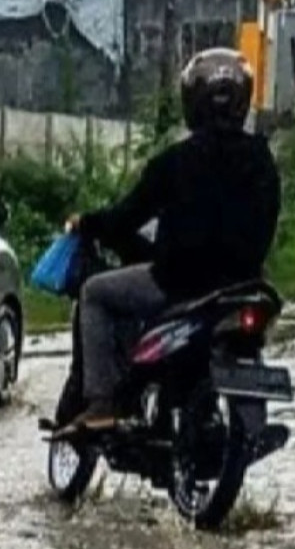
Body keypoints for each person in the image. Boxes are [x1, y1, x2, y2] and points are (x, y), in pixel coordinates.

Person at [56, 47, 281, 437]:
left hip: (179, 286)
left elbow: (125, 218)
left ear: (191, 102)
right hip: (244, 286)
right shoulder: (263, 161)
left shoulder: (174, 162)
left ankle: (102, 403)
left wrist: (86, 223)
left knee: (94, 293)